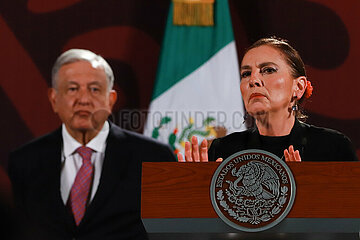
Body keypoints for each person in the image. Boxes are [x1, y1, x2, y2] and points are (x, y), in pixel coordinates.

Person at [8, 49, 176, 240]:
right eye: (72, 89)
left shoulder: (153, 157)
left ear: (110, 100)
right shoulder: (25, 161)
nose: (84, 99)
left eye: (94, 89)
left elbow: (173, 233)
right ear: (54, 99)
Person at [178, 37, 358, 162]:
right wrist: (199, 189)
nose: (253, 80)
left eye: (268, 70)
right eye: (246, 73)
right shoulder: (223, 151)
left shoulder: (333, 148)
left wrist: (304, 188)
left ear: (299, 87)